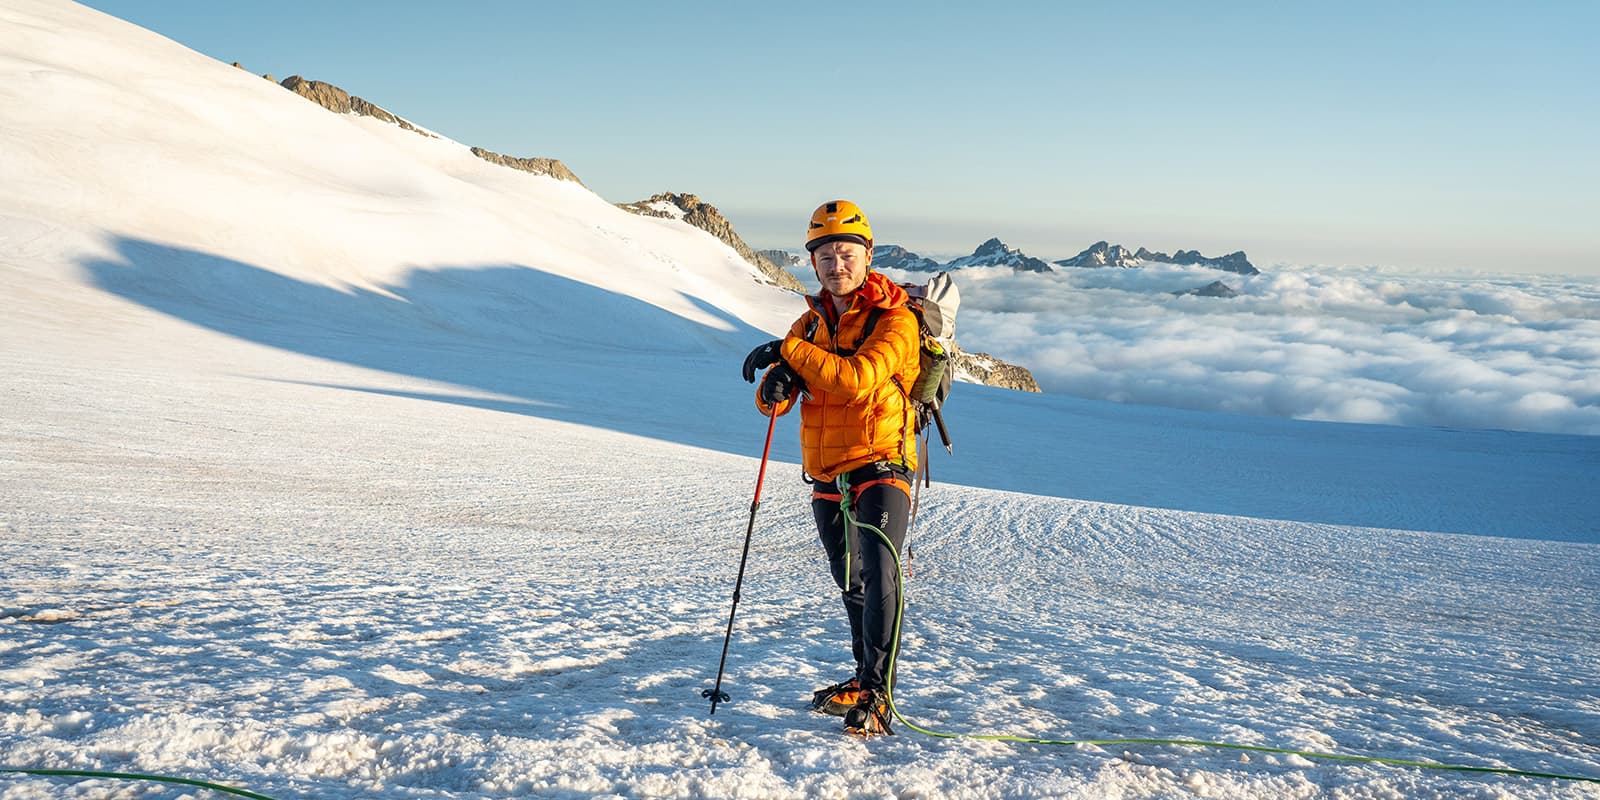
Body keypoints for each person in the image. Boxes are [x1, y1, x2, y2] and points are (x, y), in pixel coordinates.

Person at [741, 200, 921, 736]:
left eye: (847, 254)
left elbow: (858, 378)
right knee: (852, 580)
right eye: (825, 256)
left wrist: (791, 353)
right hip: (826, 472)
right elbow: (780, 400)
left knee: (882, 575)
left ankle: (879, 695)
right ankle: (862, 678)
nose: (836, 265)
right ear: (812, 262)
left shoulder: (896, 320)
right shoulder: (811, 322)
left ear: (868, 257)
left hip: (881, 463)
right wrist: (774, 390)